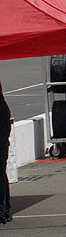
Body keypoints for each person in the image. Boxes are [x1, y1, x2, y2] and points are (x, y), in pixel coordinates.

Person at [0, 83, 12, 224]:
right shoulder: (3, 107)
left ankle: (3, 211)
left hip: (1, 145)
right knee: (2, 175)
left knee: (1, 176)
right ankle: (6, 209)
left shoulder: (2, 108)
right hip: (3, 144)